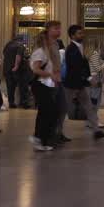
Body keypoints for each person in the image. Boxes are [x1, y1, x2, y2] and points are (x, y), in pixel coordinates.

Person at [63, 25, 104, 140]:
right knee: (63, 109)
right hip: (72, 84)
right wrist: (88, 78)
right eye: (79, 33)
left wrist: (88, 77)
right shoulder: (71, 49)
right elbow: (75, 67)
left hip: (80, 83)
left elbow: (84, 65)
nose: (82, 35)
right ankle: (57, 132)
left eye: (82, 33)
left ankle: (96, 130)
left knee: (89, 107)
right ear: (72, 35)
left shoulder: (80, 47)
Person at [29, 22, 63, 152]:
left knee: (48, 112)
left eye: (59, 28)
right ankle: (40, 138)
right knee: (48, 112)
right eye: (56, 29)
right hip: (40, 85)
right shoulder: (40, 51)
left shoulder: (53, 47)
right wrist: (50, 75)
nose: (59, 31)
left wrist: (55, 76)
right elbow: (36, 69)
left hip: (48, 84)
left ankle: (41, 138)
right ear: (48, 31)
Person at [2, 34, 27, 109]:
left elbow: (4, 54)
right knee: (22, 86)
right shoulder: (20, 45)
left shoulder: (8, 45)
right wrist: (16, 65)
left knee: (10, 87)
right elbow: (18, 56)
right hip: (17, 70)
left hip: (7, 68)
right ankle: (23, 103)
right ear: (21, 40)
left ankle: (11, 102)